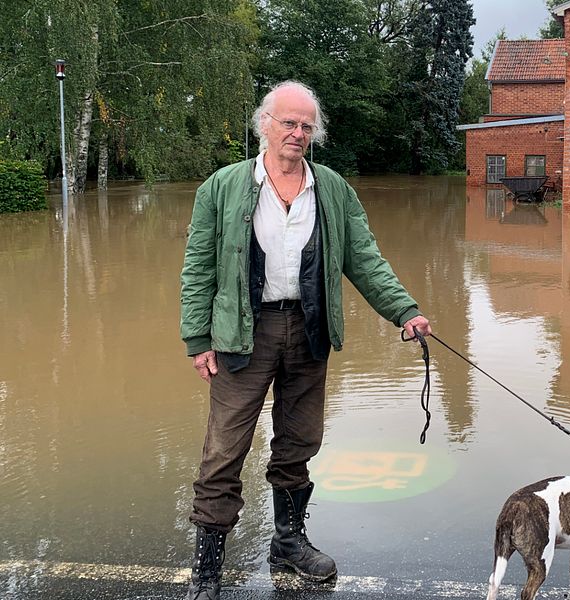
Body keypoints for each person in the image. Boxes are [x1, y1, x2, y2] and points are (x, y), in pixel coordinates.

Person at [180, 80, 432, 600]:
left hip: (309, 327)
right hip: (240, 334)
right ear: (264, 125)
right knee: (224, 449)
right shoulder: (221, 187)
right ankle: (207, 565)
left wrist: (403, 310)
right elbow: (198, 267)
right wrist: (197, 337)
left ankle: (288, 541)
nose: (297, 133)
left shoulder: (333, 188)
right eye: (287, 122)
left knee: (299, 442)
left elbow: (363, 258)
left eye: (305, 125)